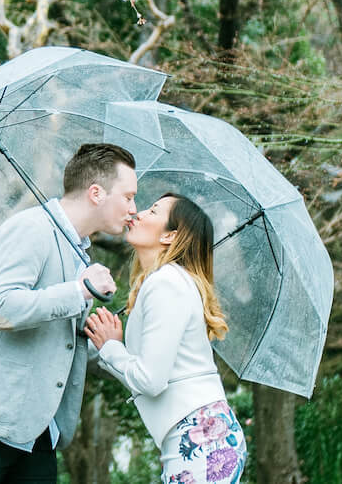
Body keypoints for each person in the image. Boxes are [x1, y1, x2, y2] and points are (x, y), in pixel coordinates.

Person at [0, 142, 140, 483]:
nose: (133, 208)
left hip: (36, 435)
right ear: (97, 193)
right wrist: (79, 291)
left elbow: (53, 338)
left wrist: (107, 343)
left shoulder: (78, 253)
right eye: (128, 196)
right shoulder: (31, 228)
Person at [85, 194, 247, 484]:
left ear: (171, 235)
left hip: (202, 439)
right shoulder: (163, 281)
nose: (139, 212)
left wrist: (111, 348)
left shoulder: (167, 283)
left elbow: (150, 380)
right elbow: (152, 378)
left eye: (153, 210)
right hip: (197, 437)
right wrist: (109, 346)